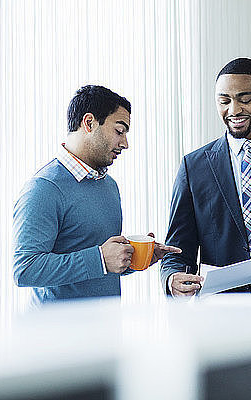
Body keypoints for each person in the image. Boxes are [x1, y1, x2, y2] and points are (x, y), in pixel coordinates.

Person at [13, 85, 181, 304]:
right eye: (119, 131)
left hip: (106, 330)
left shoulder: (109, 186)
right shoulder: (44, 188)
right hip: (56, 335)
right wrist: (100, 258)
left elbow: (100, 267)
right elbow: (25, 269)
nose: (125, 143)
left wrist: (135, 257)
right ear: (89, 123)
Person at [160, 58, 251, 297]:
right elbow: (176, 252)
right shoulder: (194, 166)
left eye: (245, 99)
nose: (234, 110)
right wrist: (171, 279)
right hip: (219, 312)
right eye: (224, 101)